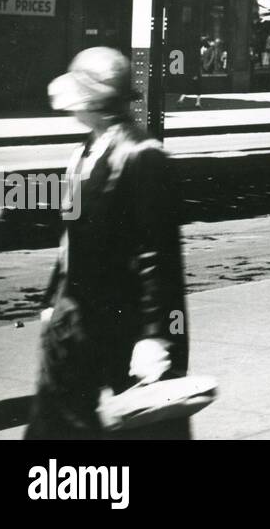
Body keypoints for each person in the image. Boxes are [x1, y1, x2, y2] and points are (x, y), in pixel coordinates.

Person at [27, 48, 189, 439]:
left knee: (145, 430)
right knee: (56, 425)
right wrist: (53, 299)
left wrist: (155, 336)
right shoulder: (84, 152)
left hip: (125, 323)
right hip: (78, 319)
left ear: (95, 101)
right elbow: (72, 237)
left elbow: (158, 256)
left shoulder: (142, 156)